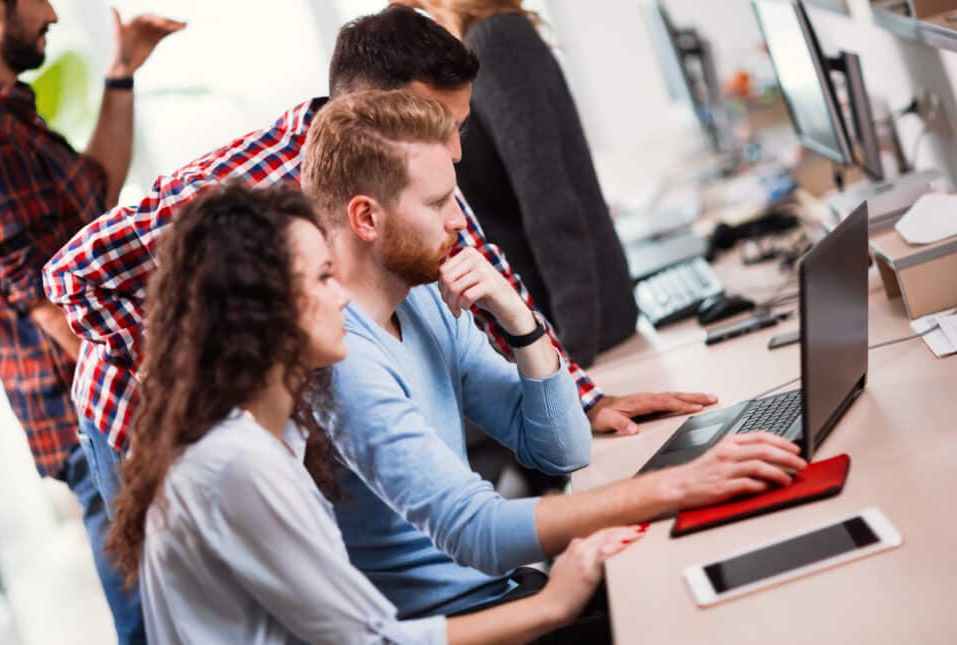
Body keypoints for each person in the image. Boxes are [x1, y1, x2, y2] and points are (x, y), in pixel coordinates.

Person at [40, 11, 715, 524]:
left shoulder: (411, 171)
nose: (457, 145)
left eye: (460, 125)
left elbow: (484, 265)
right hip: (136, 417)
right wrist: (189, 378)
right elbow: (70, 274)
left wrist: (586, 398)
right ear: (375, 112)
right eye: (440, 122)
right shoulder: (242, 182)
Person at [300, 88, 808, 621]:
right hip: (467, 623)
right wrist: (675, 484)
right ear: (366, 219)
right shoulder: (344, 359)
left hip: (502, 591)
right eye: (435, 203)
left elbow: (562, 450)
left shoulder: (423, 297)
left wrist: (518, 320)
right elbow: (476, 532)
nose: (457, 220)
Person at [105, 181, 644, 644]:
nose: (341, 298)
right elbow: (372, 639)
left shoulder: (276, 441)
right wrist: (555, 603)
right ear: (259, 307)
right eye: (321, 278)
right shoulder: (238, 464)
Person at [0, 1, 183, 642]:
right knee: (151, 617)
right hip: (91, 415)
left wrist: (122, 71)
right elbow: (52, 309)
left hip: (90, 407)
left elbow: (91, 195)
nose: (49, 13)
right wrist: (161, 403)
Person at [405, 0, 638, 366]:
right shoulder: (469, 42)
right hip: (558, 329)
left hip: (577, 331)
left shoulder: (495, 39)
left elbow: (546, 195)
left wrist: (567, 356)